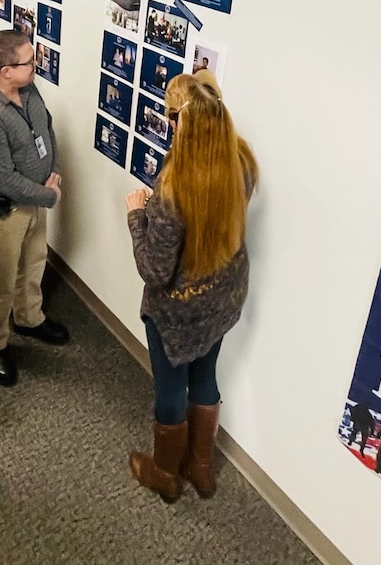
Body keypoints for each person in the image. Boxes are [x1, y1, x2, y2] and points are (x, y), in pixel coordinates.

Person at [124, 73, 258, 502]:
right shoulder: (242, 162)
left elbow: (155, 271)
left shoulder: (173, 187)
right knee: (205, 375)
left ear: (179, 123)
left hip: (176, 313)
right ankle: (201, 468)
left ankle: (165, 474)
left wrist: (135, 216)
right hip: (222, 298)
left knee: (169, 390)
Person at [0, 30, 69, 387]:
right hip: (4, 211)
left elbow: (45, 127)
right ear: (6, 71)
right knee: (1, 280)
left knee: (34, 262)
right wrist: (48, 195)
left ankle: (29, 318)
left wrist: (49, 168)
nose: (35, 66)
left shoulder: (27, 88)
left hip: (35, 198)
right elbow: (3, 179)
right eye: (29, 62)